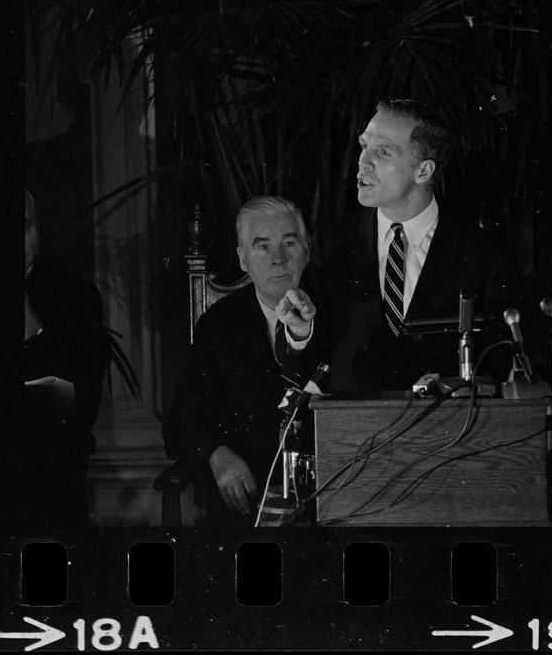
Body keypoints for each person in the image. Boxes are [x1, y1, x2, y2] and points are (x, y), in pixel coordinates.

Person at [306, 99, 522, 395]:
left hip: (448, 434)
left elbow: (501, 365)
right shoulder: (332, 242)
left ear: (423, 171)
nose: (363, 161)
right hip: (351, 433)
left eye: (383, 151)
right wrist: (299, 332)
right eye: (363, 145)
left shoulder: (485, 256)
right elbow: (308, 357)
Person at [162, 196, 320, 524]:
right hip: (250, 503)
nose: (278, 258)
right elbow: (180, 423)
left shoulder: (342, 313)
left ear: (306, 249)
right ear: (243, 259)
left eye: (289, 242)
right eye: (262, 247)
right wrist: (216, 455)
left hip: (330, 493)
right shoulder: (219, 325)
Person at [24, 189, 111, 530]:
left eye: (24, 225)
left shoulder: (76, 298)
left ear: (38, 231)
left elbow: (80, 408)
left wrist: (34, 332)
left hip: (49, 469)